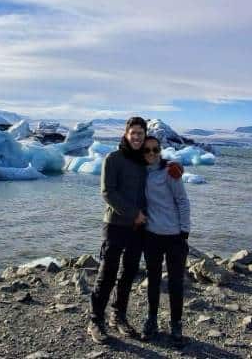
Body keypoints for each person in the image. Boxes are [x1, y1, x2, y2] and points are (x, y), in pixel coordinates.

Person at [87, 117, 183, 343]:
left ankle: (118, 315)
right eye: (134, 133)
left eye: (141, 133)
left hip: (139, 229)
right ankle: (95, 319)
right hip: (115, 225)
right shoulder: (113, 159)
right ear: (126, 133)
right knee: (107, 272)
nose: (138, 137)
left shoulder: (143, 159)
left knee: (128, 273)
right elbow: (107, 193)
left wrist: (177, 166)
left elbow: (160, 162)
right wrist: (134, 214)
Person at [139, 135, 191, 348]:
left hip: (174, 236)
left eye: (155, 149)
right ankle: (152, 320)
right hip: (151, 235)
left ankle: (176, 323)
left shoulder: (170, 172)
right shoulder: (139, 172)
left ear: (160, 151)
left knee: (176, 282)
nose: (151, 153)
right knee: (153, 280)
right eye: (147, 150)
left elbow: (183, 201)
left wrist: (184, 232)